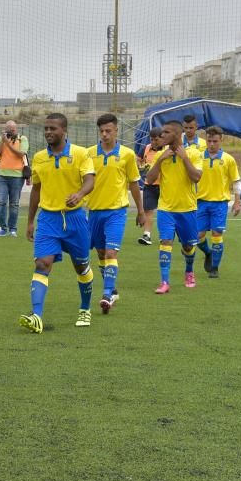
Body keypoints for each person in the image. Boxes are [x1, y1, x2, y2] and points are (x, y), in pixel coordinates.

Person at [19, 113, 95, 333]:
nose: (48, 132)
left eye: (53, 128)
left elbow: (90, 179)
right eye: (46, 129)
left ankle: (85, 309)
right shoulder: (40, 157)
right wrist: (30, 220)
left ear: (64, 130)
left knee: (81, 266)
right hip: (48, 219)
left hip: (75, 219)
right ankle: (37, 316)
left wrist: (79, 194)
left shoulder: (81, 153)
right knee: (42, 264)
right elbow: (36, 189)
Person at [85, 114, 144, 314]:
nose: (104, 134)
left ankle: (108, 293)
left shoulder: (127, 155)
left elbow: (134, 184)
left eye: (108, 130)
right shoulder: (89, 154)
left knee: (111, 253)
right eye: (101, 131)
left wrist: (141, 211)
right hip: (94, 212)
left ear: (116, 130)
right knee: (101, 253)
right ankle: (113, 288)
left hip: (117, 212)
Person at [145, 120, 203, 293]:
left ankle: (189, 271)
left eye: (166, 132)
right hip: (166, 208)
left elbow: (196, 177)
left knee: (188, 246)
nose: (162, 135)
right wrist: (159, 160)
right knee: (165, 241)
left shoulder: (193, 153)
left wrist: (184, 158)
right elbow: (149, 179)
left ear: (177, 134)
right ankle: (165, 282)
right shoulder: (160, 155)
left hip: (187, 208)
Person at [195, 126, 241, 278]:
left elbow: (236, 181)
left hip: (220, 203)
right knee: (198, 236)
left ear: (221, 140)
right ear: (206, 140)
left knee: (216, 233)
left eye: (215, 141)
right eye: (209, 140)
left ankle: (214, 268)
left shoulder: (228, 159)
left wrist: (237, 202)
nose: (212, 144)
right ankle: (208, 253)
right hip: (200, 202)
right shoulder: (198, 157)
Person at [0, 120, 29, 237]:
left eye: (13, 129)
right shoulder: (1, 139)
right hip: (1, 175)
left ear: (16, 129)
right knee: (1, 202)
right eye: (9, 129)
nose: (11, 131)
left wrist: (7, 143)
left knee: (14, 204)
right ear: (5, 129)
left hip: (17, 176)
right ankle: (2, 228)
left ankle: (13, 229)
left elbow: (21, 154)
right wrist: (3, 141)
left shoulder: (22, 139)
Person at [137, 127, 165, 245]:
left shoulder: (167, 150)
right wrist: (141, 166)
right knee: (148, 210)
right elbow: (138, 160)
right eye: (152, 139)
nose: (154, 142)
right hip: (149, 185)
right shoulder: (146, 148)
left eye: (156, 140)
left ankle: (167, 235)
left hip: (165, 186)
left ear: (162, 139)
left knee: (167, 211)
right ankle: (146, 235)